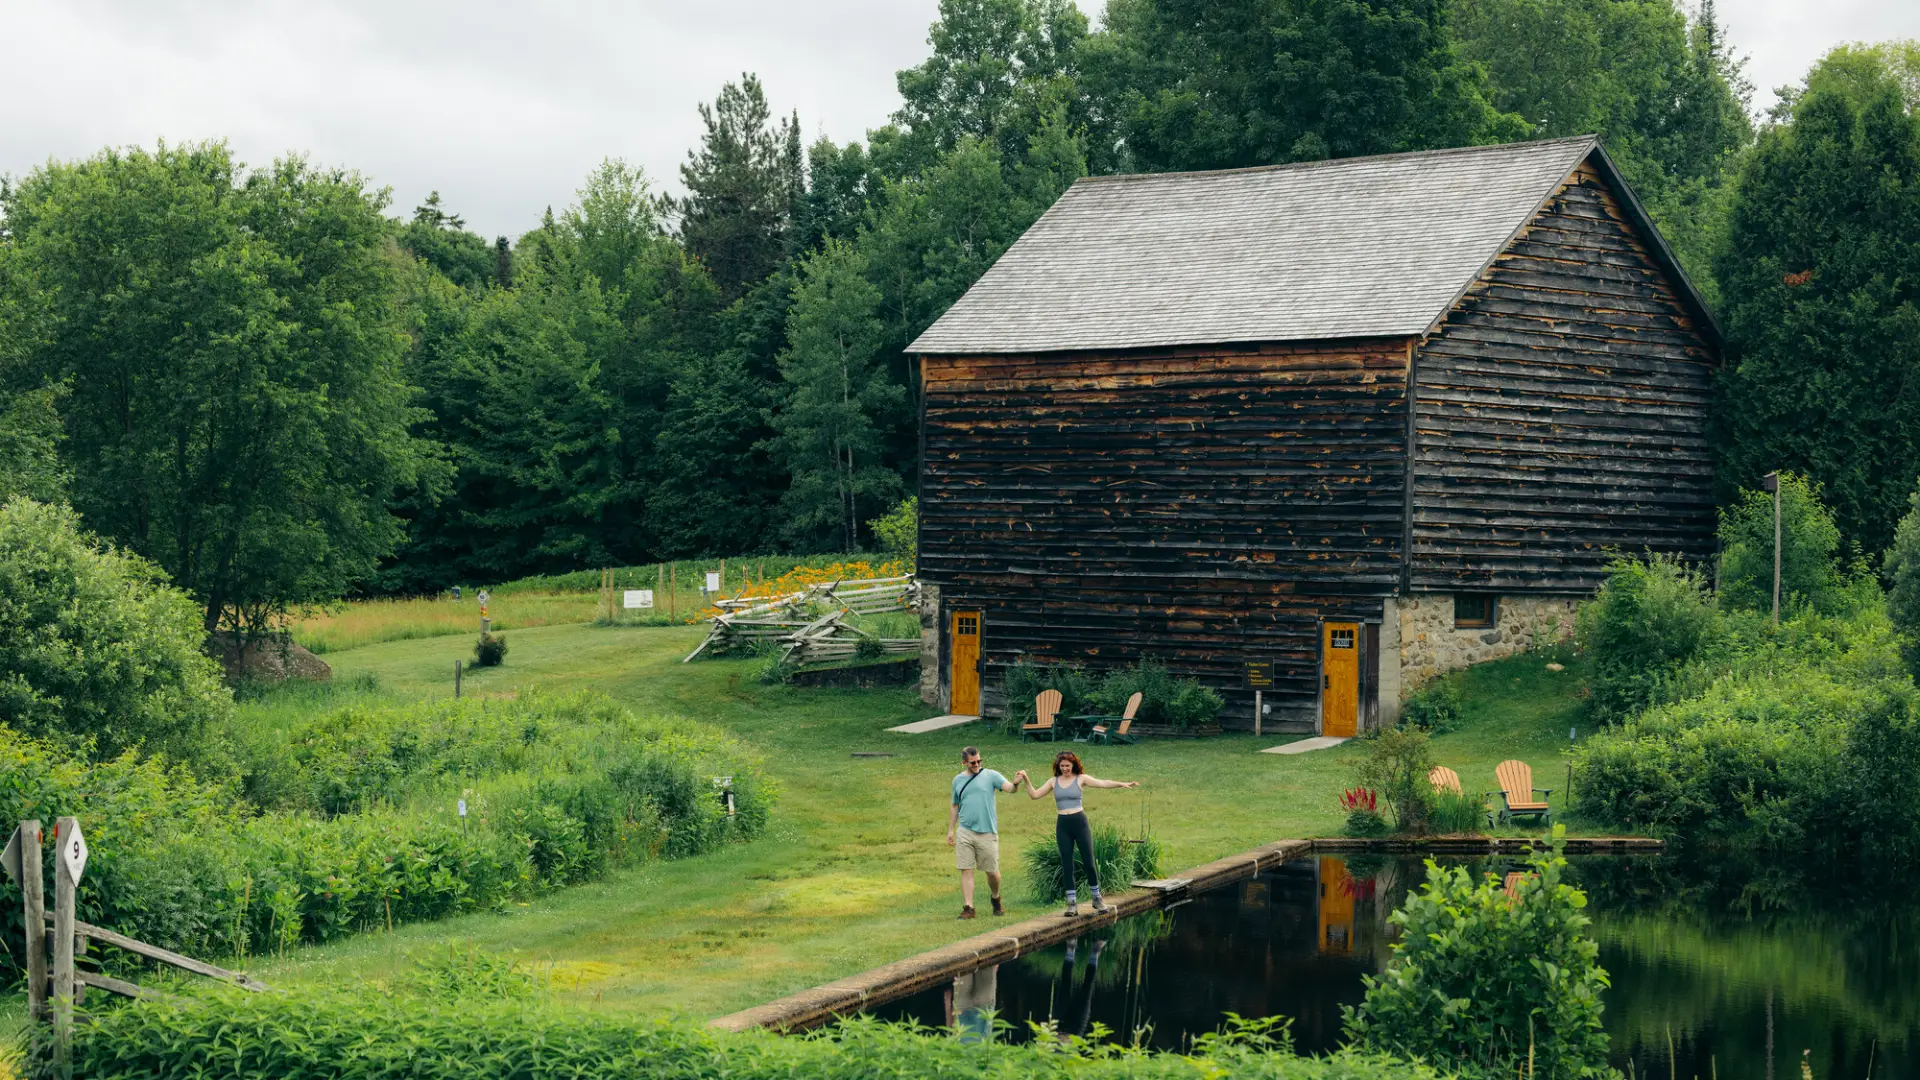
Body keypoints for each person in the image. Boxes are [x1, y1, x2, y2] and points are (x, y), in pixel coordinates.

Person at [1026, 750, 1139, 916]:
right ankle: (1072, 903)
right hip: (1063, 825)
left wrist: (1121, 784)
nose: (1065, 768)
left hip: (1080, 823)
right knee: (1067, 863)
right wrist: (1026, 779)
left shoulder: (1081, 779)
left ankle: (1096, 898)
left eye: (1068, 765)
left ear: (1073, 765)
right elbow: (1035, 795)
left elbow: (1102, 783)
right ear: (1058, 766)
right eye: (1062, 766)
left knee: (1089, 862)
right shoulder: (1053, 781)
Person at [947, 746, 1023, 919]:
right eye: (973, 763)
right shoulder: (957, 780)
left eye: (979, 761)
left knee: (992, 873)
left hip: (987, 832)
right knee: (966, 869)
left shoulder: (991, 775)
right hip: (965, 830)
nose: (977, 765)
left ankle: (996, 898)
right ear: (964, 762)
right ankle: (969, 908)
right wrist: (951, 830)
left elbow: (1010, 788)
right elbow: (954, 805)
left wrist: (1017, 782)